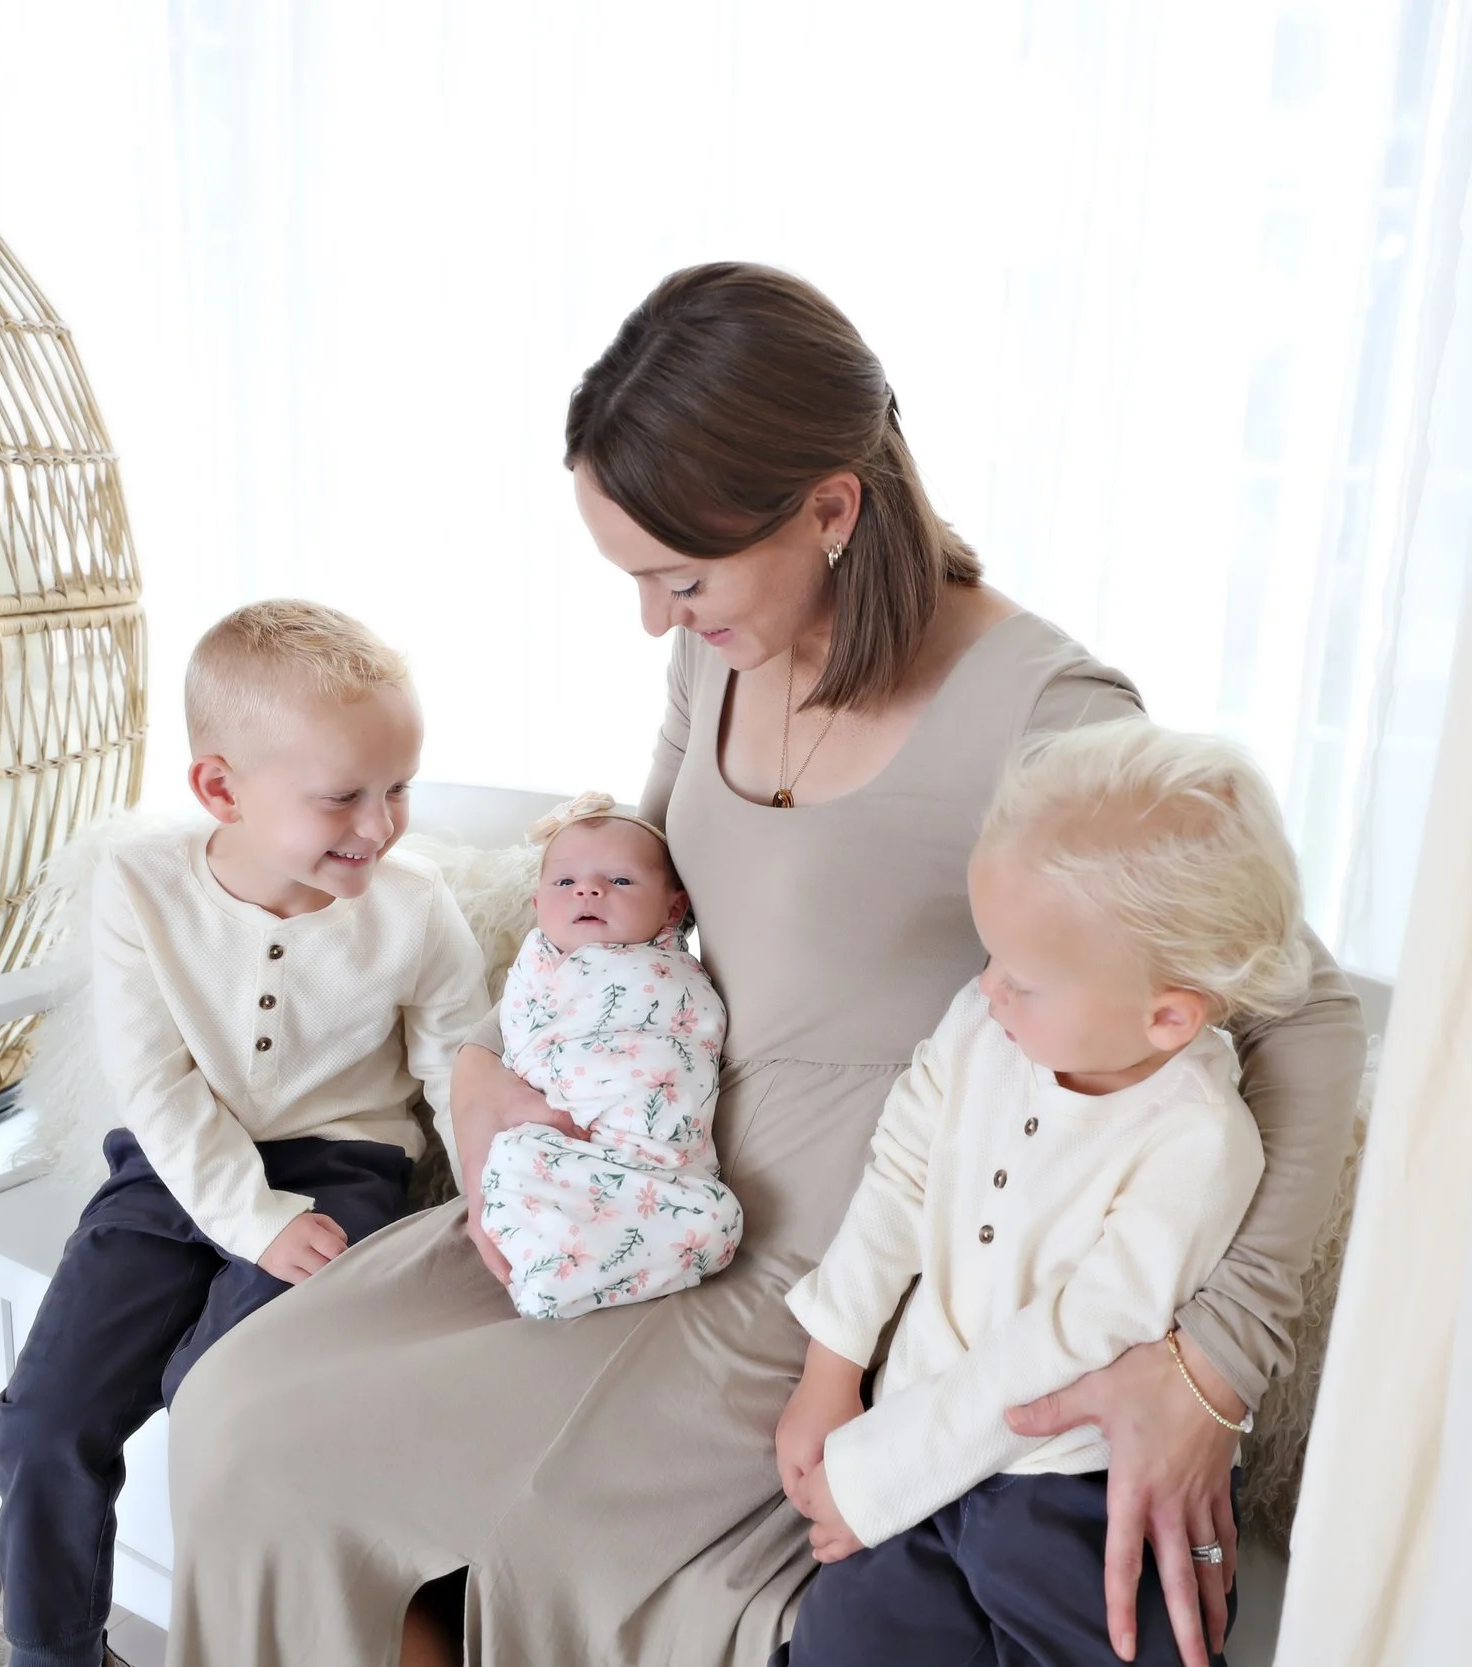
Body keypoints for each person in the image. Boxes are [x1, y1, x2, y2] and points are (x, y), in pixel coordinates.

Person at [165, 264, 1368, 1667]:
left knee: (529, 1549)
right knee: (244, 1410)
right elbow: (619, 909)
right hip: (636, 1178)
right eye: (636, 577)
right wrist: (482, 1076)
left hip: (820, 1267)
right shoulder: (718, 660)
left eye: (681, 577)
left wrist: (1212, 1365)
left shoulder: (1047, 711)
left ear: (831, 509)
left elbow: (1306, 1014)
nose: (655, 618)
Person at [0, 600, 487, 1667]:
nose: (380, 824)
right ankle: (52, 1649)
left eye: (399, 787)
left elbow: (459, 1065)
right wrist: (249, 1219)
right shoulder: (140, 888)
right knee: (43, 1420)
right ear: (222, 789)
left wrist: (496, 1195)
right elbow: (154, 1083)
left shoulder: (414, 905)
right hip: (167, 1169)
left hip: (342, 1174)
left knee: (221, 1397)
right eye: (343, 796)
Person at [777, 720, 1311, 1665]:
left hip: (1078, 1476)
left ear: (1167, 1015)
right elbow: (901, 1170)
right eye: (989, 957)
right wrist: (835, 1362)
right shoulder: (985, 1027)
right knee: (839, 1637)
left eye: (1021, 979)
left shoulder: (1196, 1140)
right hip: (917, 1419)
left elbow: (1070, 1337)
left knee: (1132, 1640)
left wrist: (879, 1477)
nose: (986, 990)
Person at [475, 791, 740, 1319]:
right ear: (537, 905)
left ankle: (598, 1264)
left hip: (662, 1162)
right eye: (565, 883)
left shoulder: (677, 969)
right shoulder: (538, 965)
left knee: (720, 1220)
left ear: (674, 908)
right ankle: (557, 1274)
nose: (588, 890)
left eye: (619, 880)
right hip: (572, 1140)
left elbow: (695, 1039)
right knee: (512, 1160)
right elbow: (523, 1044)